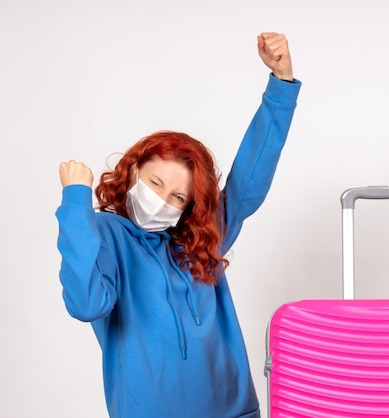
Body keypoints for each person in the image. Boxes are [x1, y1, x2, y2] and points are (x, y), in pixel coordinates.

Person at [56, 32, 301, 418]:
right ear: (134, 169)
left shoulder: (200, 238)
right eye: (155, 183)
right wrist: (74, 203)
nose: (162, 200)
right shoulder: (104, 234)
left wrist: (282, 85)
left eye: (177, 197)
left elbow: (250, 177)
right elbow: (86, 304)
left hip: (234, 411)